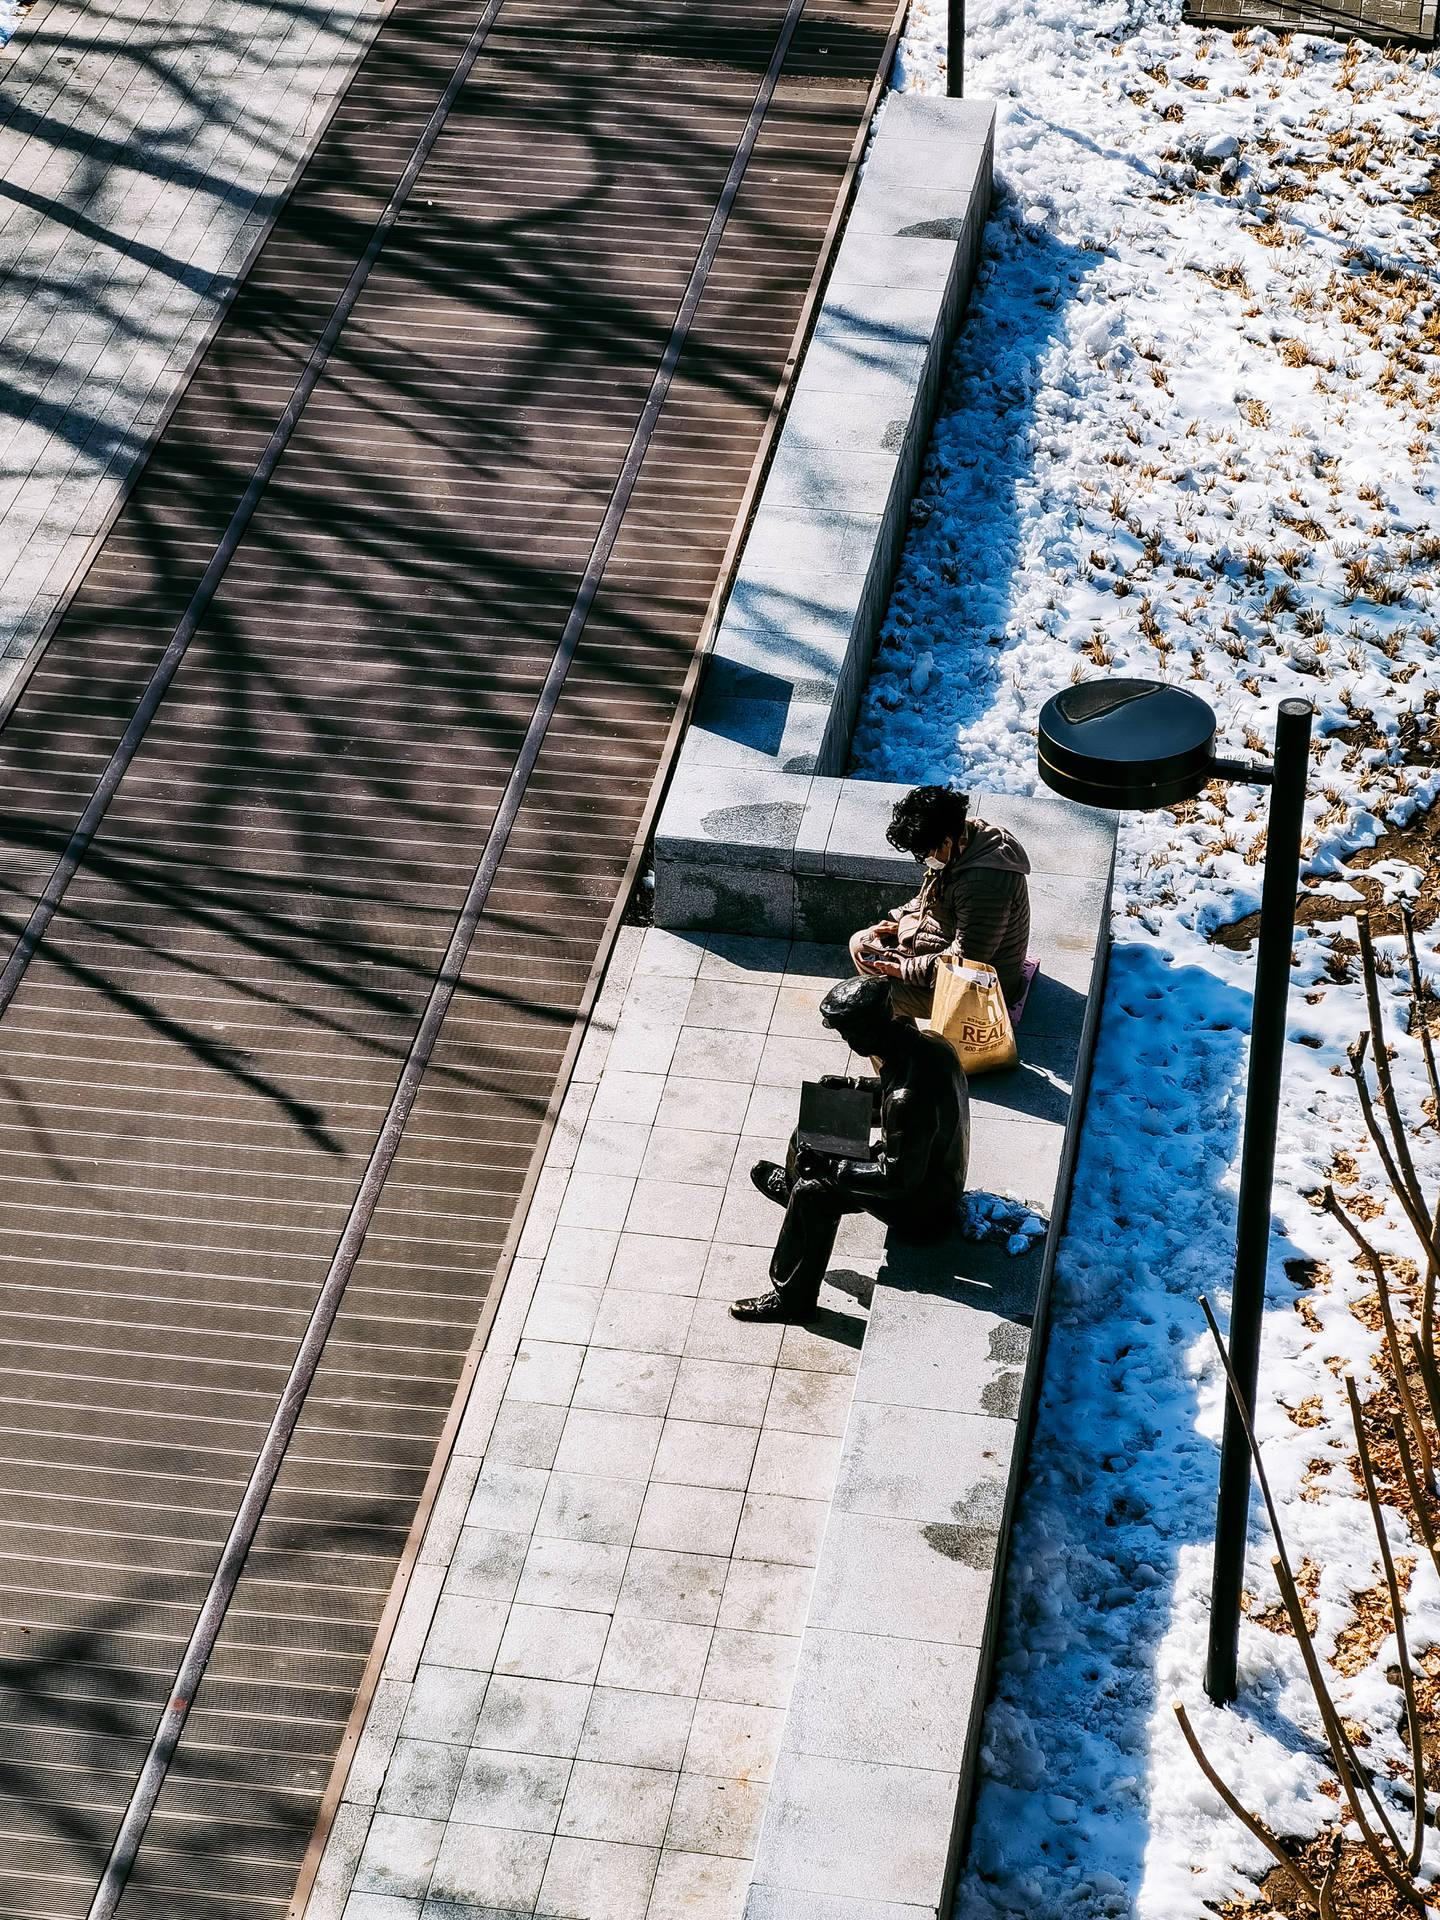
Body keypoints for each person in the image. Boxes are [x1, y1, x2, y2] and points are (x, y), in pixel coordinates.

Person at [731, 976, 969, 1324]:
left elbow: (897, 1180)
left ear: (865, 1032)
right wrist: (852, 1087)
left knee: (814, 1193)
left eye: (847, 1033)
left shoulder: (908, 1100)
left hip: (923, 1207)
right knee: (817, 1126)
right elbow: (894, 1091)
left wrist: (830, 1169)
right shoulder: (927, 1044)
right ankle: (793, 1194)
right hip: (928, 1168)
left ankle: (792, 1299)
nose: (845, 1041)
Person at [850, 786, 1031, 1017]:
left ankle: (907, 1047)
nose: (925, 860)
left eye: (924, 854)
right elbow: (927, 897)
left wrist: (904, 969)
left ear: (945, 842)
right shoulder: (966, 838)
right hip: (946, 943)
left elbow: (965, 962)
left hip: (982, 988)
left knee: (875, 996)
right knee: (861, 944)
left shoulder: (984, 887)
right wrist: (899, 919)